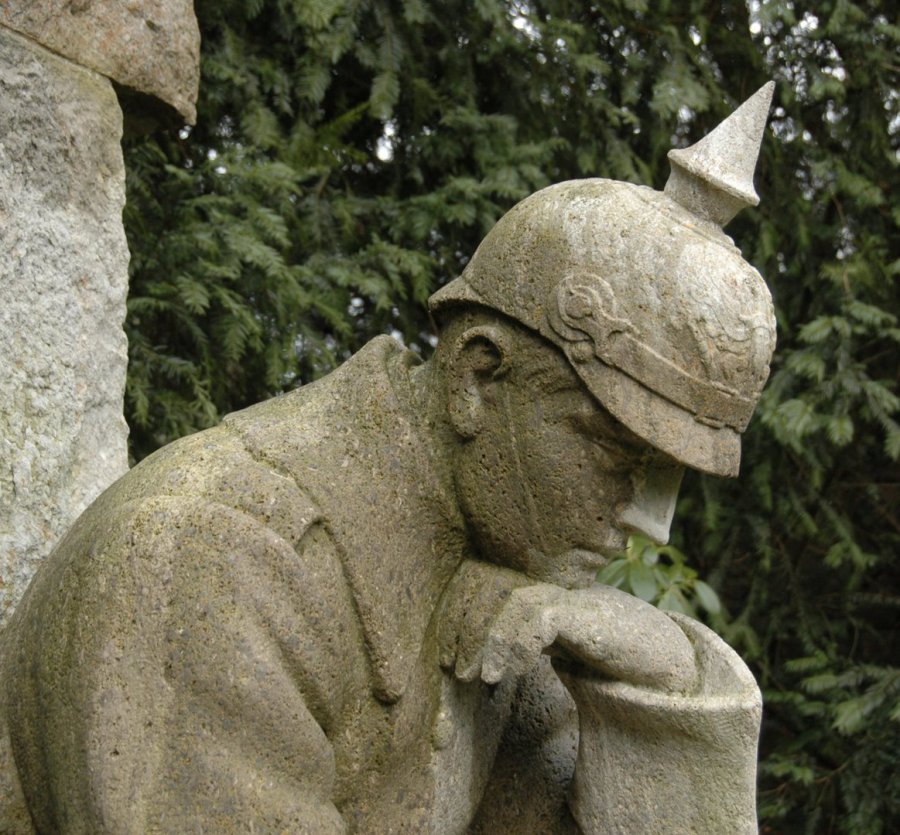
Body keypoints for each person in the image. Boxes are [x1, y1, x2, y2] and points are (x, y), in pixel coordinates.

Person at [0, 84, 776, 834]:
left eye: (670, 476)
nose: (649, 523)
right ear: (476, 377)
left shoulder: (500, 586)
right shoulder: (218, 558)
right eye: (614, 452)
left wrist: (669, 682)